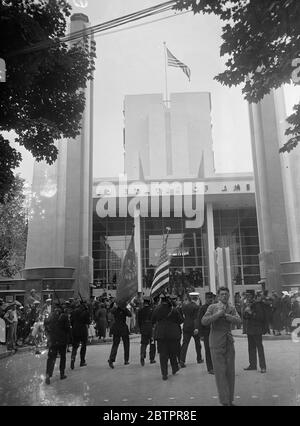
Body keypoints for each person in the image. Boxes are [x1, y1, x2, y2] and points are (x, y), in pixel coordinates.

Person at [202, 287, 241, 406]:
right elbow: (204, 321)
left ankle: (230, 400)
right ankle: (224, 402)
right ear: (218, 296)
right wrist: (217, 315)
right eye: (222, 294)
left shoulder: (231, 308)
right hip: (216, 342)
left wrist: (228, 317)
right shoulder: (212, 307)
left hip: (229, 342)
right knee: (220, 373)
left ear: (229, 296)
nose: (224, 296)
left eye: (226, 294)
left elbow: (239, 321)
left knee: (230, 372)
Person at [152, 293, 183, 381]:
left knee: (163, 354)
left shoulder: (157, 309)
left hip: (161, 334)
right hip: (172, 334)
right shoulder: (174, 309)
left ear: (161, 300)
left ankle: (164, 374)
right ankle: (174, 368)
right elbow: (180, 321)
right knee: (172, 352)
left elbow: (153, 320)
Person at [44, 303, 70, 385]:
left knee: (51, 357)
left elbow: (46, 324)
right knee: (63, 357)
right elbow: (68, 328)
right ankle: (62, 374)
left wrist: (50, 333)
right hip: (62, 340)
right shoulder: (65, 316)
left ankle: (48, 374)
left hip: (53, 340)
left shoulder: (51, 315)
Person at [243, 291, 267, 373]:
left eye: (249, 296)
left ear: (253, 297)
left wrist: (250, 312)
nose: (247, 297)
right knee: (251, 348)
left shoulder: (258, 305)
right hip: (250, 330)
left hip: (257, 330)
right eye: (247, 296)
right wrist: (246, 312)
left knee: (259, 348)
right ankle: (252, 365)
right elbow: (245, 317)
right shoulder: (249, 305)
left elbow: (261, 317)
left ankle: (263, 367)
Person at [179, 292, 203, 368]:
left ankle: (182, 360)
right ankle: (199, 359)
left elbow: (182, 315)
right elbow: (196, 318)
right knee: (197, 344)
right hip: (193, 327)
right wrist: (196, 328)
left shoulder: (185, 306)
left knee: (185, 344)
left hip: (186, 326)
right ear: (196, 298)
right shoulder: (196, 307)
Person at [195, 292, 215, 374]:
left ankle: (215, 366)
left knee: (214, 350)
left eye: (211, 298)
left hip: (215, 331)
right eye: (209, 298)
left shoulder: (214, 307)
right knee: (208, 350)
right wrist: (201, 335)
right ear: (206, 299)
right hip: (206, 332)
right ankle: (210, 368)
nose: (210, 300)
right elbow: (199, 321)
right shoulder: (203, 308)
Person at [108, 303, 132, 368]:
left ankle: (111, 359)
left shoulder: (115, 309)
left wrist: (116, 306)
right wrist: (125, 308)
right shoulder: (124, 309)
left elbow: (111, 311)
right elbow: (130, 314)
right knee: (126, 344)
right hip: (123, 327)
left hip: (116, 327)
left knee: (115, 344)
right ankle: (126, 360)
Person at [70, 298, 91, 369]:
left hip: (75, 330)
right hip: (83, 330)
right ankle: (82, 361)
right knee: (83, 346)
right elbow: (88, 322)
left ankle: (72, 360)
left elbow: (71, 321)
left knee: (75, 347)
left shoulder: (74, 311)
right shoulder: (86, 311)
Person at [137, 297, 156, 366]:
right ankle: (152, 358)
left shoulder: (140, 310)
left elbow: (139, 321)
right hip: (151, 328)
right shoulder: (152, 310)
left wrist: (140, 328)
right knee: (152, 343)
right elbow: (154, 319)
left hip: (143, 327)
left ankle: (142, 355)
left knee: (143, 343)